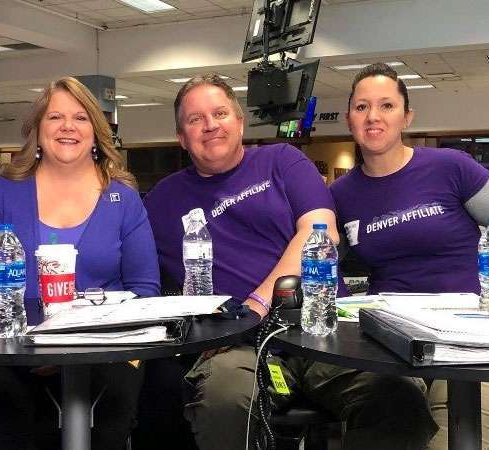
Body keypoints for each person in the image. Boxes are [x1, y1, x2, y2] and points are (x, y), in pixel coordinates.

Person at [143, 73, 437, 450]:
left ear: (240, 121)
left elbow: (321, 233)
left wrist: (258, 304)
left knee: (398, 397)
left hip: (323, 328)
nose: (211, 125)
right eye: (195, 119)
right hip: (238, 346)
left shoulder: (282, 160)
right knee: (224, 399)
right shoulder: (161, 202)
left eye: (220, 113)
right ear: (181, 137)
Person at [0, 76, 159, 449]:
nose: (68, 127)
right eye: (55, 117)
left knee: (113, 405)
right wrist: (29, 341)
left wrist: (75, 347)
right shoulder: (4, 192)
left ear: (96, 132)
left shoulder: (124, 198)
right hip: (16, 350)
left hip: (105, 350)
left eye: (80, 118)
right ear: (37, 130)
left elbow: (145, 289)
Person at [330, 62, 489, 449]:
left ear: (407, 116)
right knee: (392, 424)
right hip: (391, 337)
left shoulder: (451, 168)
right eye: (362, 107)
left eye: (386, 105)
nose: (373, 117)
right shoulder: (341, 195)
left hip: (466, 333)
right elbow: (324, 264)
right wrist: (346, 311)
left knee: (458, 433)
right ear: (350, 118)